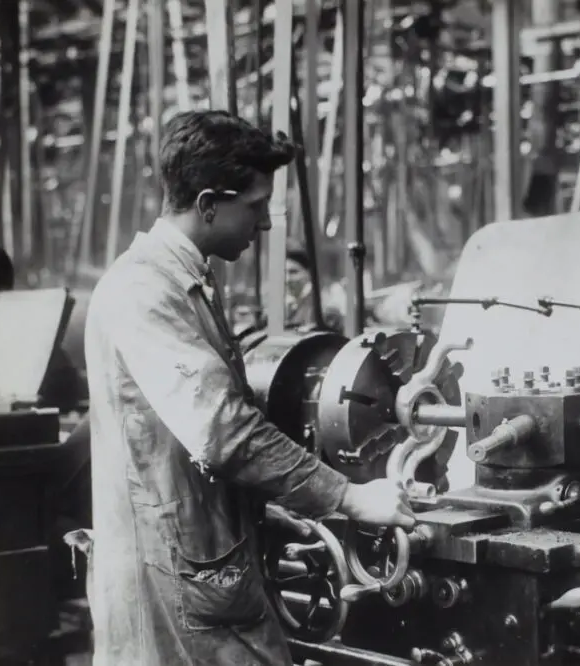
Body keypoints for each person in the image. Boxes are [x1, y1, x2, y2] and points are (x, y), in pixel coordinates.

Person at [83, 110, 415, 665]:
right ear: (209, 203)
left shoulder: (182, 281)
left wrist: (254, 510)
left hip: (196, 559)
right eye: (256, 206)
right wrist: (351, 497)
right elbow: (222, 431)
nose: (264, 224)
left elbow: (182, 448)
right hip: (174, 582)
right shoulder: (143, 292)